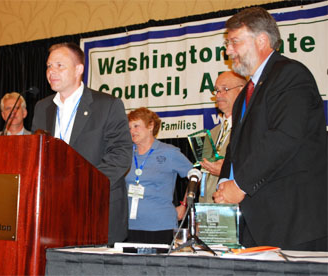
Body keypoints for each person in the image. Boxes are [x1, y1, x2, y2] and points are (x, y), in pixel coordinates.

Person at [213, 7, 327, 250]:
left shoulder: (291, 74)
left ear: (261, 40)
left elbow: (284, 137)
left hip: (295, 223)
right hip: (258, 222)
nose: (228, 50)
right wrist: (225, 184)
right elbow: (237, 146)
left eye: (234, 42)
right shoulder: (246, 92)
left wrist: (239, 185)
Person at [32, 42, 132, 244]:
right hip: (52, 212)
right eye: (49, 66)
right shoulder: (42, 107)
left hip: (96, 208)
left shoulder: (107, 105)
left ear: (79, 69)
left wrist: (83, 187)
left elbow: (120, 155)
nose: (52, 71)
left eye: (60, 65)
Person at [125, 107, 193, 244]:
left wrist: (184, 204)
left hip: (161, 226)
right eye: (130, 128)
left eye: (136, 126)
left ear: (150, 126)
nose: (132, 131)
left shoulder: (169, 152)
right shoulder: (125, 154)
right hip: (128, 226)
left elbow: (195, 177)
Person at [199, 72, 246, 203]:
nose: (219, 95)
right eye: (217, 91)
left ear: (242, 91)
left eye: (225, 89)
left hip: (237, 208)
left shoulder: (249, 129)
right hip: (209, 210)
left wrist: (228, 171)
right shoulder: (212, 133)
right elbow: (205, 178)